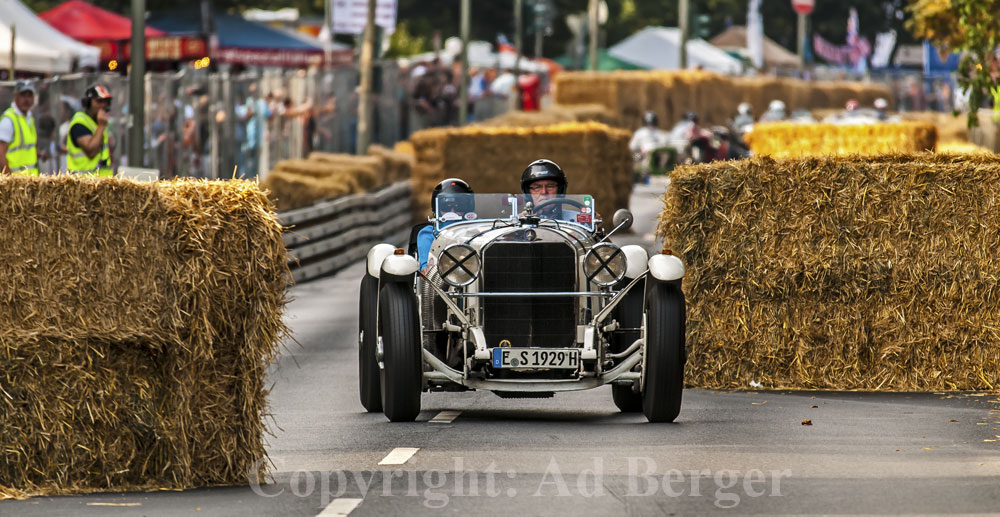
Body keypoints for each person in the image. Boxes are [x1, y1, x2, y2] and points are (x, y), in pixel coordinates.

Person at [418, 178, 474, 270]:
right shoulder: (428, 233)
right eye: (446, 207)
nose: (452, 212)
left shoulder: (478, 230)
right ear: (438, 209)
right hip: (442, 280)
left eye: (459, 206)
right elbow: (426, 270)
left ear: (468, 208)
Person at [67, 83, 113, 177]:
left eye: (106, 101)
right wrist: (101, 126)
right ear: (88, 103)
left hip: (100, 182)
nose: (103, 105)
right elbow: (91, 152)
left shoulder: (98, 122)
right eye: (99, 101)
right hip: (83, 181)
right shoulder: (79, 123)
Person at [0, 80, 40, 176]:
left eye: (29, 95)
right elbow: (1, 152)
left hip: (30, 180)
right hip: (16, 182)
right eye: (23, 95)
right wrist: (9, 180)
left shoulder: (29, 118)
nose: (26, 99)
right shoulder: (9, 120)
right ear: (15, 96)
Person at [629, 111, 670, 181]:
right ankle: (642, 174)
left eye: (652, 123)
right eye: (649, 123)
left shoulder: (661, 133)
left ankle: (662, 171)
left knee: (666, 154)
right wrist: (640, 151)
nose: (651, 126)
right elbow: (632, 147)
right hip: (643, 155)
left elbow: (666, 144)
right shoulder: (640, 133)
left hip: (658, 155)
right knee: (636, 157)